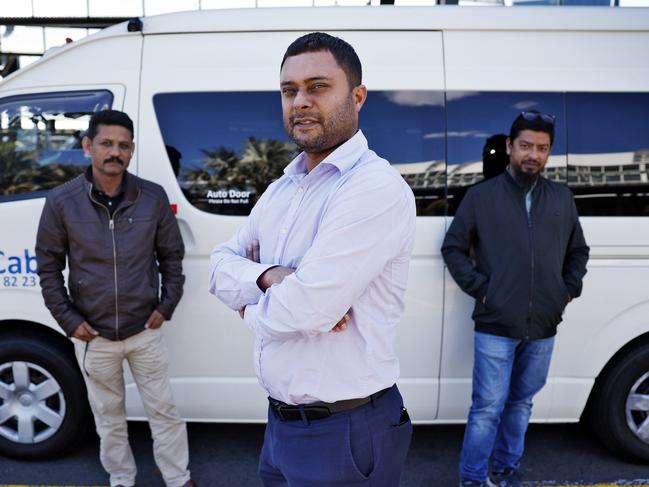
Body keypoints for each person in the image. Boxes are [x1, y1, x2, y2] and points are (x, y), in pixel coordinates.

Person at [209, 32, 416, 487]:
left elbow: (306, 309)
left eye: (318, 86)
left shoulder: (372, 187)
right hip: (281, 425)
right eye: (289, 90)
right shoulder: (283, 188)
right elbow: (217, 264)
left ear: (357, 96)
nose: (300, 101)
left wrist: (246, 303)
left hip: (345, 429)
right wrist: (269, 278)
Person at [36, 110, 195, 487]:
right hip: (95, 337)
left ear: (132, 150)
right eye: (106, 143)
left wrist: (165, 306)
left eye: (123, 145)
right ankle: (121, 479)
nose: (115, 152)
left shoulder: (151, 197)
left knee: (164, 411)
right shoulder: (62, 202)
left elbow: (172, 256)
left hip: (144, 331)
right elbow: (48, 268)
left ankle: (178, 478)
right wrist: (71, 321)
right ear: (88, 146)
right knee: (108, 415)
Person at [442, 111, 590, 487]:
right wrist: (484, 290)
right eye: (525, 146)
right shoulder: (480, 197)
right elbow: (454, 248)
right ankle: (473, 479)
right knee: (487, 408)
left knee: (522, 404)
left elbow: (578, 252)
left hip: (543, 325)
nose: (533, 155)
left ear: (549, 152)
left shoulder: (561, 197)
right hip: (495, 323)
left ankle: (507, 471)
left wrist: (565, 291)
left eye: (542, 148)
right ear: (509, 147)